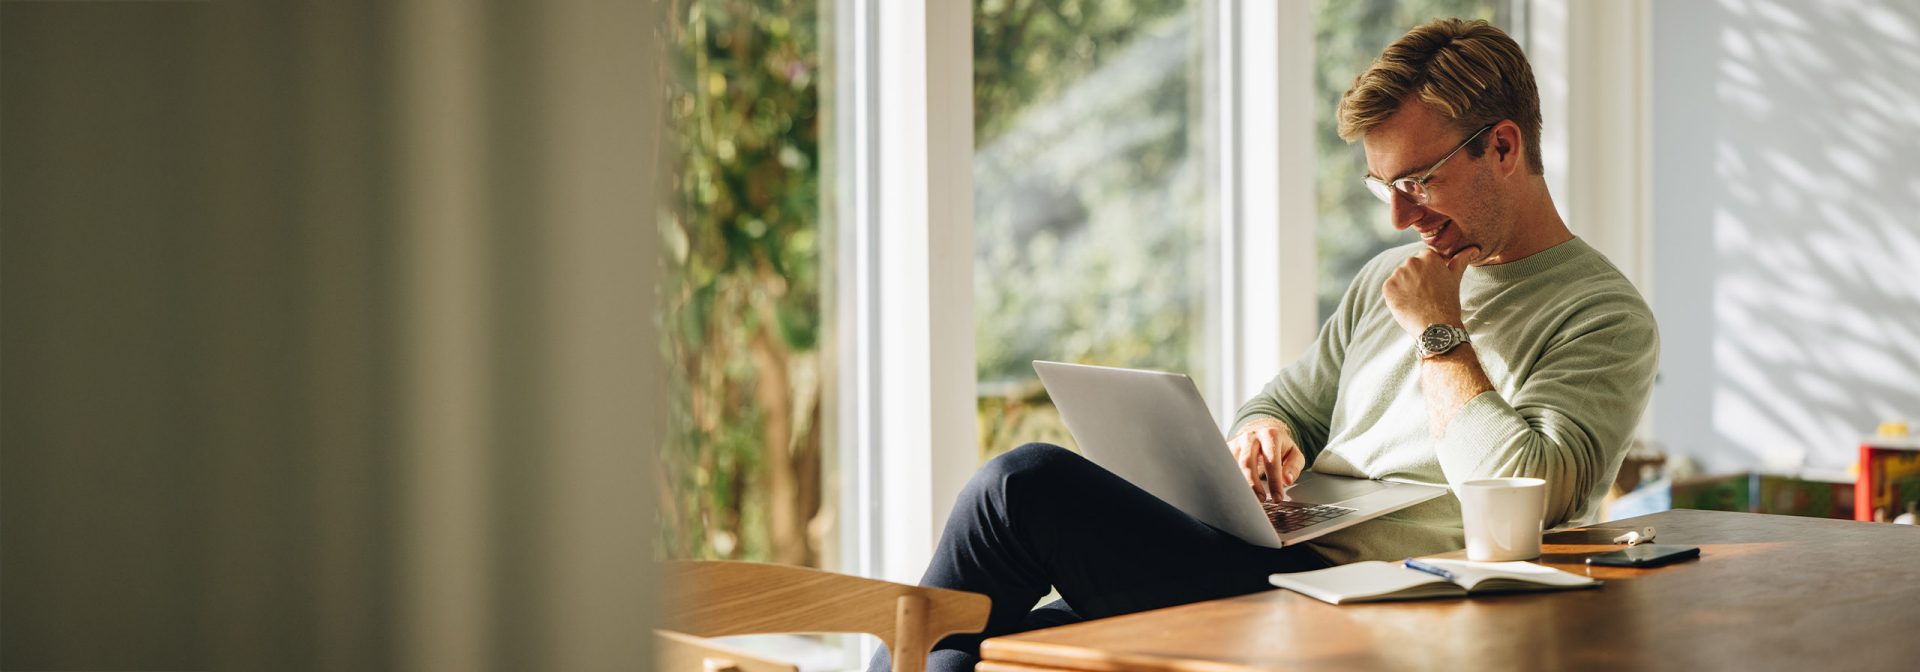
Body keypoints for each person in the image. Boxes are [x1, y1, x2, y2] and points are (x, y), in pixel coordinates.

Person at [870, 18, 1658, 672]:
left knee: (1022, 486)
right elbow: (1286, 403)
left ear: (1505, 147)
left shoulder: (1603, 315)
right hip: (1270, 562)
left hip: (1381, 599)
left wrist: (1439, 332)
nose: (1397, 217)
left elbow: (1528, 489)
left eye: (1417, 181)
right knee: (978, 645)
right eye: (1383, 186)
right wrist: (1262, 435)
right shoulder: (1390, 276)